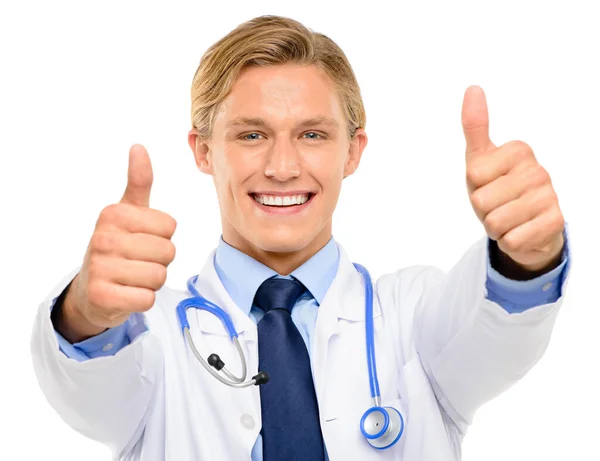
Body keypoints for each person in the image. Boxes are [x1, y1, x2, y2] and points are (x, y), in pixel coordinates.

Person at [30, 14, 571, 461]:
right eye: (251, 135)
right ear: (202, 151)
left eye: (312, 134)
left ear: (353, 151)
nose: (283, 167)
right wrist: (88, 311)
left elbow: (496, 335)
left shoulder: (413, 316)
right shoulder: (152, 339)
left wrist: (527, 257)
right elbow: (86, 389)